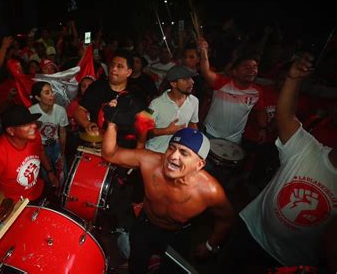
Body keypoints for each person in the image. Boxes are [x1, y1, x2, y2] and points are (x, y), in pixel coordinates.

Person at [223, 53, 337, 273]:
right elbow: (285, 115)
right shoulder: (309, 148)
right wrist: (293, 79)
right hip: (250, 232)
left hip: (288, 262)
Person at [101, 123, 234, 273]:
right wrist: (113, 124)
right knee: (136, 265)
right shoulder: (149, 162)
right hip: (146, 224)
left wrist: (210, 245)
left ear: (199, 164)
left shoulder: (210, 191)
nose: (173, 156)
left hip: (177, 235)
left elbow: (226, 218)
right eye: (171, 148)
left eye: (184, 153)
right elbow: (110, 154)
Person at [198, 38, 267, 145]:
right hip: (210, 134)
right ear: (234, 72)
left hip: (234, 140)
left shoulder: (257, 92)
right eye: (246, 67)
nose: (252, 70)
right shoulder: (221, 83)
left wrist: (263, 128)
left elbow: (261, 110)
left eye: (254, 67)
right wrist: (204, 51)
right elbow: (205, 71)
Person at [0, 104, 59, 202]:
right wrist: (6, 206)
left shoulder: (34, 135)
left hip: (38, 190)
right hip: (17, 204)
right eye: (26, 124)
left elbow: (41, 152)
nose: (34, 126)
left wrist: (50, 173)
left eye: (32, 121)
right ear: (11, 130)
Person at [145, 65, 199, 153]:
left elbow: (192, 124)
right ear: (173, 84)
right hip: (154, 151)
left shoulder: (194, 101)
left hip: (175, 155)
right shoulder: (155, 103)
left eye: (191, 78)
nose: (192, 82)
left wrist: (196, 140)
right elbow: (144, 130)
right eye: (185, 79)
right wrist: (166, 131)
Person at [29, 81, 69, 186]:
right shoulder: (31, 112)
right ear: (38, 97)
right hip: (40, 147)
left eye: (51, 91)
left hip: (55, 144)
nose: (52, 95)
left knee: (63, 175)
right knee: (47, 177)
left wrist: (62, 151)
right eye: (47, 93)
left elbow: (62, 132)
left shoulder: (60, 110)